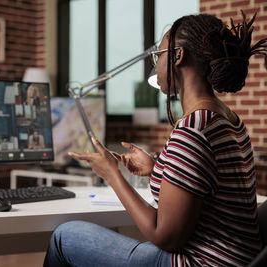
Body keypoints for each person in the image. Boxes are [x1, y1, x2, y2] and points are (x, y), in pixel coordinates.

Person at [44, 11, 267, 266]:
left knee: (64, 237)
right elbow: (204, 187)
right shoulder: (228, 118)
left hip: (198, 262)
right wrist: (156, 169)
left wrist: (112, 173)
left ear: (178, 56)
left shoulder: (193, 129)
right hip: (238, 259)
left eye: (158, 56)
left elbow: (165, 236)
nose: (154, 65)